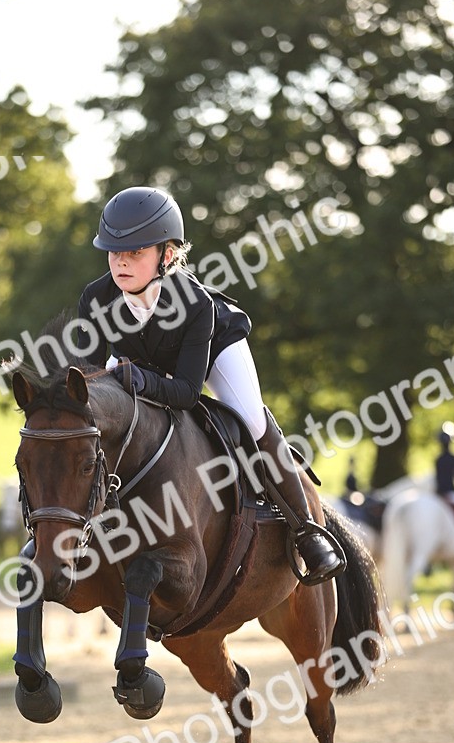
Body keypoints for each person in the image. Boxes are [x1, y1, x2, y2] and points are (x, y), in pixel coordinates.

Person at [75, 186, 343, 584]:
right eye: (114, 253)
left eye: (135, 252)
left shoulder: (196, 304)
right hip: (143, 358)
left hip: (215, 348)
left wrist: (141, 380)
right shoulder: (96, 298)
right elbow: (87, 386)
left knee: (251, 419)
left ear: (167, 255)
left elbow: (186, 392)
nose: (121, 262)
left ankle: (307, 531)